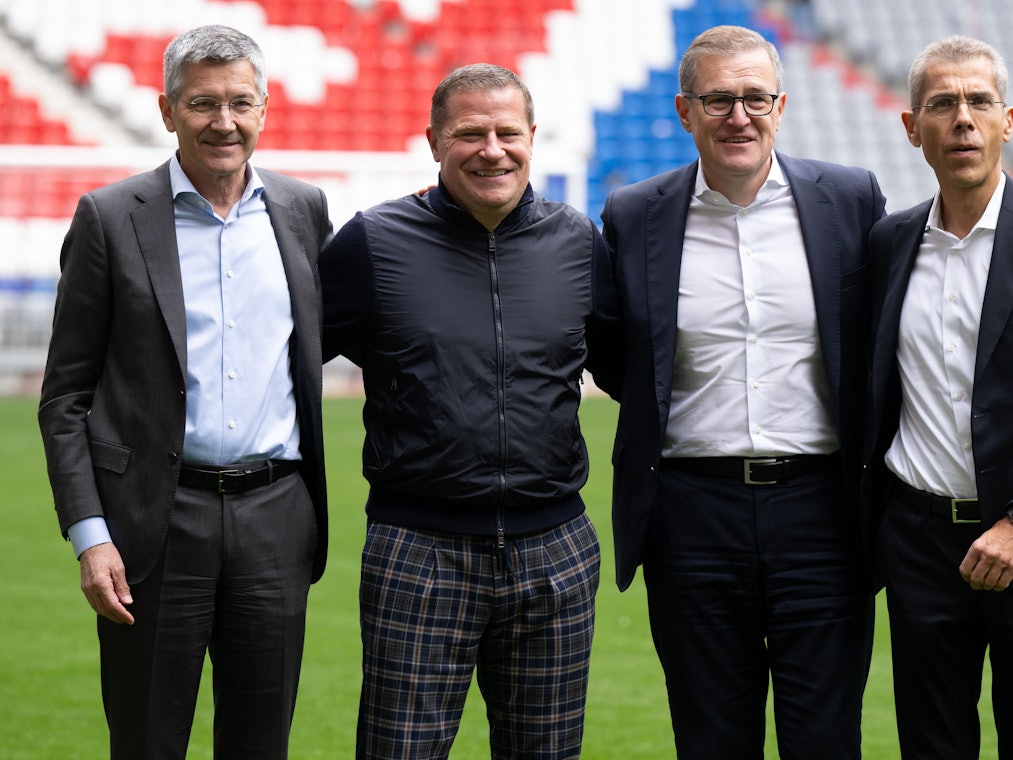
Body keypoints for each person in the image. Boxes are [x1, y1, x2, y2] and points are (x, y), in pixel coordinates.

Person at [37, 24, 332, 759]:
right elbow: (65, 395)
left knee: (261, 743)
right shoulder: (109, 219)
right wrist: (90, 535)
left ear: (264, 109)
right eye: (202, 103)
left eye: (239, 102)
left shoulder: (303, 212)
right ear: (168, 111)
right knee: (146, 740)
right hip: (152, 524)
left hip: (275, 519)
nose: (222, 122)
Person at [592, 25, 885, 759]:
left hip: (821, 510)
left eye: (755, 97)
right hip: (690, 514)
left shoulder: (848, 200)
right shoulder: (635, 215)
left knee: (824, 737)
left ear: (781, 105)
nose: (738, 116)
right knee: (710, 738)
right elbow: (612, 355)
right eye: (718, 99)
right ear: (684, 111)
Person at [319, 62, 618, 759]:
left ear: (532, 137)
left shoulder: (579, 243)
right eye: (468, 133)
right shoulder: (372, 242)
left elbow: (634, 374)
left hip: (556, 550)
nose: (491, 149)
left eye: (506, 132)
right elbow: (285, 367)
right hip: (417, 549)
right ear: (432, 141)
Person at [864, 35, 1013, 759]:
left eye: (978, 102)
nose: (962, 119)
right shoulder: (888, 244)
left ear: (1006, 121)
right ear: (910, 126)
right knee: (930, 744)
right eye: (942, 104)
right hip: (919, 546)